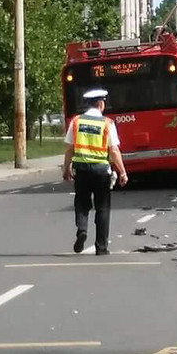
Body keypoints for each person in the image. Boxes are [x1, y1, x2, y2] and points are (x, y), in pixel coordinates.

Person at [63, 89, 128, 255]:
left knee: (82, 203)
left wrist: (66, 168)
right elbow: (113, 150)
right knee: (102, 207)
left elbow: (69, 148)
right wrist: (122, 172)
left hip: (82, 169)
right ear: (100, 104)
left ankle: (82, 230)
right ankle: (101, 247)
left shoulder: (76, 121)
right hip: (101, 170)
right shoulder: (107, 123)